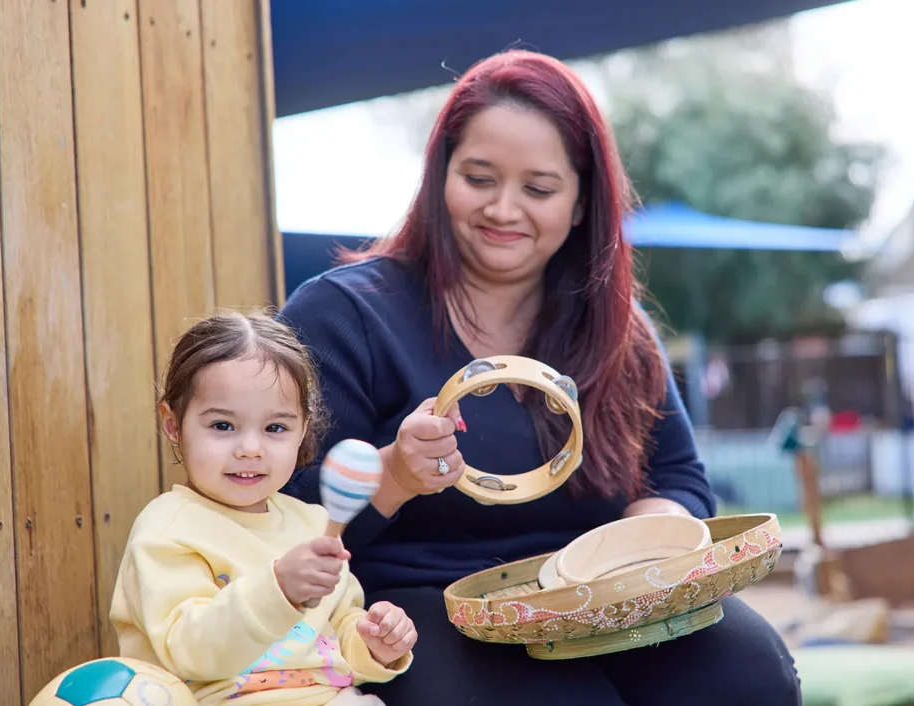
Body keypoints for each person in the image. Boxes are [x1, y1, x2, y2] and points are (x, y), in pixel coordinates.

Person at [278, 50, 801, 705]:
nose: (504, 209)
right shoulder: (344, 314)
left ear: (583, 202)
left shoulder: (618, 325)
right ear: (440, 176)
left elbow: (681, 478)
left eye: (539, 188)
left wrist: (646, 541)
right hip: (412, 607)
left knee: (748, 673)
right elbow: (279, 517)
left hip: (596, 600)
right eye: (479, 177)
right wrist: (396, 475)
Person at [109, 311, 416, 706]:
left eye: (275, 428)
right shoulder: (167, 529)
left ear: (303, 428)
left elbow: (337, 628)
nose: (250, 449)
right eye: (222, 426)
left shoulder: (312, 522)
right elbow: (190, 650)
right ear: (173, 423)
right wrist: (278, 589)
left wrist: (374, 643)